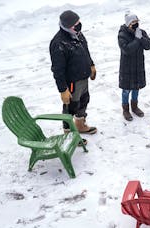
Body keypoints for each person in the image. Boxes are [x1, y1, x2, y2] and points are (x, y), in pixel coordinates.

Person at [50, 10, 97, 139]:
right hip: (71, 83)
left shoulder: (78, 34)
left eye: (79, 22)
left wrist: (91, 65)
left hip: (83, 77)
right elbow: (57, 70)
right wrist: (63, 90)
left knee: (84, 101)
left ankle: (80, 124)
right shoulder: (59, 43)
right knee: (70, 108)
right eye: (75, 24)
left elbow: (85, 51)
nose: (79, 25)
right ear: (67, 26)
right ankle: (69, 134)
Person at [118, 12, 150, 121]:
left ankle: (134, 107)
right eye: (133, 22)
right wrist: (137, 40)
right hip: (127, 68)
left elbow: (149, 45)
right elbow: (127, 50)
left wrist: (141, 38)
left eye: (136, 21)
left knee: (136, 88)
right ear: (128, 23)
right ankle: (125, 109)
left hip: (138, 66)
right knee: (126, 90)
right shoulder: (122, 34)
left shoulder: (141, 32)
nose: (135, 24)